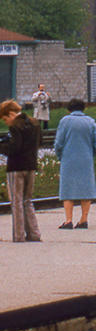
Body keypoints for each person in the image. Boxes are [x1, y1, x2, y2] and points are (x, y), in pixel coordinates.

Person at [1, 99, 43, 240]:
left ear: (11, 113)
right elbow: (40, 142)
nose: (6, 122)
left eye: (5, 119)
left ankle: (19, 235)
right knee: (27, 200)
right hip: (31, 165)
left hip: (16, 167)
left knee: (16, 201)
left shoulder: (15, 126)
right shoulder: (35, 123)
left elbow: (15, 147)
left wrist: (2, 147)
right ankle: (34, 233)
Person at [54, 97, 96, 229]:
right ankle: (83, 219)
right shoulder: (90, 122)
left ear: (69, 109)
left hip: (68, 159)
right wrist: (92, 154)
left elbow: (58, 142)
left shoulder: (65, 121)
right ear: (83, 108)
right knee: (86, 188)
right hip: (86, 158)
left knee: (68, 189)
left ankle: (68, 220)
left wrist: (59, 155)